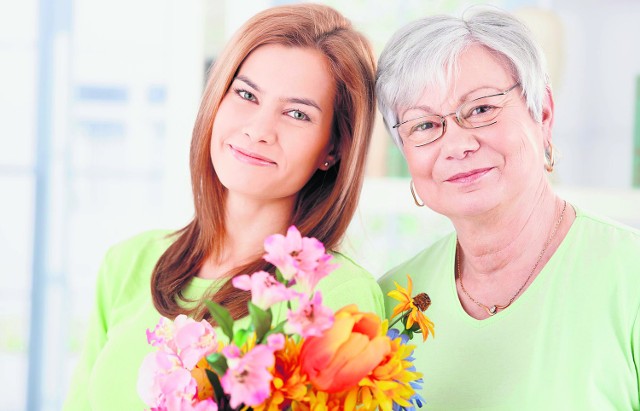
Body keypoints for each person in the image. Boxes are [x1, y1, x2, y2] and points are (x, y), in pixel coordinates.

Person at [63, 4, 384, 410]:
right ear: (216, 99)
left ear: (334, 148)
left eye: (297, 113)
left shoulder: (338, 296)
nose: (258, 130)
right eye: (246, 94)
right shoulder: (127, 262)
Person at [376, 8, 640, 410]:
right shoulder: (390, 300)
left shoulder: (630, 276)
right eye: (424, 125)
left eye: (481, 109)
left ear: (543, 115)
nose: (457, 145)